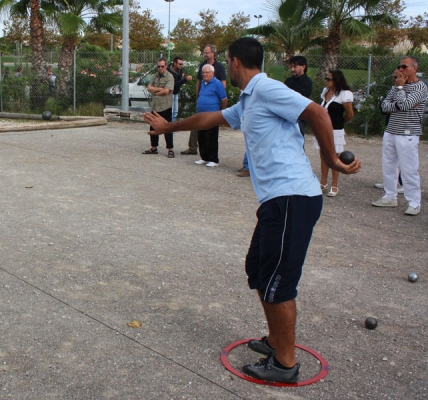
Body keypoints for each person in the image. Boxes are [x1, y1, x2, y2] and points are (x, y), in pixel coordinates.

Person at [144, 37, 361, 383]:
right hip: (277, 200)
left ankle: (285, 363)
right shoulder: (248, 100)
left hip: (293, 197)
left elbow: (317, 112)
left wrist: (330, 157)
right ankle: (276, 340)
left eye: (223, 62)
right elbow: (209, 117)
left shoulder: (267, 88)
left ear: (232, 62)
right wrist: (169, 126)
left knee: (278, 282)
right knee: (259, 271)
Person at [238, 55, 313, 177]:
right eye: (291, 67)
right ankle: (251, 166)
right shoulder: (288, 81)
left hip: (296, 120)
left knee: (296, 145)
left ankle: (298, 171)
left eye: (295, 66)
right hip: (280, 117)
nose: (292, 69)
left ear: (303, 67)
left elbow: (298, 100)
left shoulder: (307, 82)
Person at [372, 56, 427, 216]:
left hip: (408, 132)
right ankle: (390, 196)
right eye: (399, 67)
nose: (400, 70)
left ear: (414, 68)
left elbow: (405, 105)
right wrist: (399, 96)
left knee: (409, 169)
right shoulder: (396, 86)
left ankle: (414, 202)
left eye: (404, 67)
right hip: (391, 130)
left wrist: (401, 90)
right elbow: (384, 106)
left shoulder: (420, 87)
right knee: (388, 165)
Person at [313, 69, 354, 197]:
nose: (326, 81)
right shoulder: (325, 92)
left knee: (334, 157)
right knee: (323, 155)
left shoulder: (344, 94)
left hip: (335, 130)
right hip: (323, 128)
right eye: (326, 78)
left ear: (336, 80)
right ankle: (323, 182)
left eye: (328, 79)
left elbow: (350, 114)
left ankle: (334, 185)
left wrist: (340, 123)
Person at [181, 45, 226, 155]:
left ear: (213, 53)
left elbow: (223, 84)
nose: (205, 54)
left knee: (211, 130)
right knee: (196, 124)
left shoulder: (219, 67)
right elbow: (199, 82)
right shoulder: (203, 65)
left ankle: (211, 155)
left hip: (213, 104)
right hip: (202, 101)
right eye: (204, 52)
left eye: (207, 53)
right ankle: (193, 147)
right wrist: (198, 97)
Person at [194, 64, 228, 167]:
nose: (204, 74)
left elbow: (224, 99)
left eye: (206, 72)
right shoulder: (203, 83)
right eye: (203, 72)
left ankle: (214, 159)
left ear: (212, 73)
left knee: (211, 137)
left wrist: (220, 112)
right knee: (202, 136)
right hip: (201, 115)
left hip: (212, 115)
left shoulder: (217, 84)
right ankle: (204, 157)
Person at [142, 58, 175, 158]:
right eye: (158, 66)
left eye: (162, 66)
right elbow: (149, 88)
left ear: (166, 66)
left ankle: (170, 149)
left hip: (165, 106)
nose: (160, 68)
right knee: (153, 126)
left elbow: (166, 91)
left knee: (167, 128)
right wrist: (160, 89)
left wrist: (155, 91)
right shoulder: (155, 76)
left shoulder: (170, 77)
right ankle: (154, 147)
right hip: (155, 106)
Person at [167, 56, 193, 122]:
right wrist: (185, 79)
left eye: (182, 64)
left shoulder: (180, 70)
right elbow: (174, 84)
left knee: (175, 111)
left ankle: (172, 126)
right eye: (179, 64)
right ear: (175, 63)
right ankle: (170, 127)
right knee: (171, 111)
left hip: (176, 92)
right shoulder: (169, 72)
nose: (181, 65)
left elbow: (179, 80)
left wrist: (181, 78)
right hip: (170, 93)